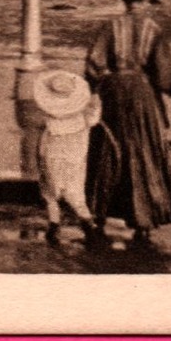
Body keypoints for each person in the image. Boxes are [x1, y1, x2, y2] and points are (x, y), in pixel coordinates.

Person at [84, 0, 171, 247]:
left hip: (112, 92)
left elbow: (93, 66)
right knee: (142, 149)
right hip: (141, 93)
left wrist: (99, 88)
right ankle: (142, 218)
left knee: (108, 148)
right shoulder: (155, 30)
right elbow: (163, 78)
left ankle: (100, 211)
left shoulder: (110, 26)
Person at [33, 69, 101, 247]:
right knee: (75, 193)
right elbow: (94, 116)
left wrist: (40, 158)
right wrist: (95, 101)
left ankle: (54, 225)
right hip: (76, 157)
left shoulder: (50, 122)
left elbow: (42, 148)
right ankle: (88, 225)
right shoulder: (83, 119)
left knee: (50, 193)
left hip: (52, 158)